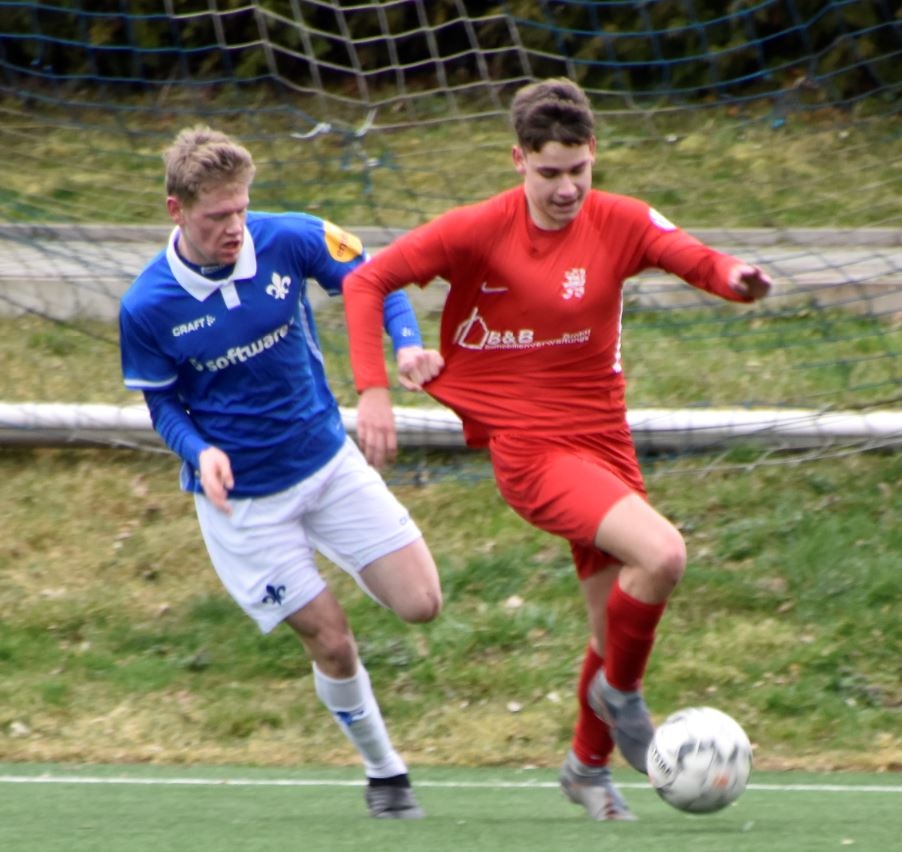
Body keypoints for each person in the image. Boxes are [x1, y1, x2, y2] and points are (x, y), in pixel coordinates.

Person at [342, 78, 772, 822]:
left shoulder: (619, 220)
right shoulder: (479, 229)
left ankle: (586, 768)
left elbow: (689, 254)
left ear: (593, 152)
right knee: (663, 555)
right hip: (532, 451)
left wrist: (735, 278)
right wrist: (372, 389)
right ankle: (622, 698)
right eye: (549, 173)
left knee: (614, 627)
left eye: (578, 169)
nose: (567, 188)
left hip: (605, 440)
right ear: (518, 160)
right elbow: (369, 278)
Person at [119, 125, 444, 819]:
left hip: (327, 463)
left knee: (422, 602)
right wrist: (198, 451)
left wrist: (407, 346)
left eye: (241, 208)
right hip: (246, 507)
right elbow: (163, 404)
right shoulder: (147, 307)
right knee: (333, 640)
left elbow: (377, 279)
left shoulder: (289, 237)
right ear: (177, 210)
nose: (235, 227)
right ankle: (385, 773)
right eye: (217, 215)